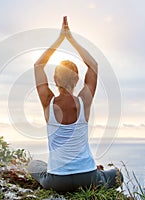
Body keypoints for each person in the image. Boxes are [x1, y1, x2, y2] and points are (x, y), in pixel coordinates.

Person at [28, 16, 123, 193]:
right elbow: (93, 64)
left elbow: (38, 65)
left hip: (58, 181)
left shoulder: (48, 102)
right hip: (88, 178)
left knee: (34, 165)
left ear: (55, 80)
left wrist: (59, 39)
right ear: (78, 79)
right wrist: (70, 39)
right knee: (117, 173)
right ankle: (98, 173)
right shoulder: (84, 101)